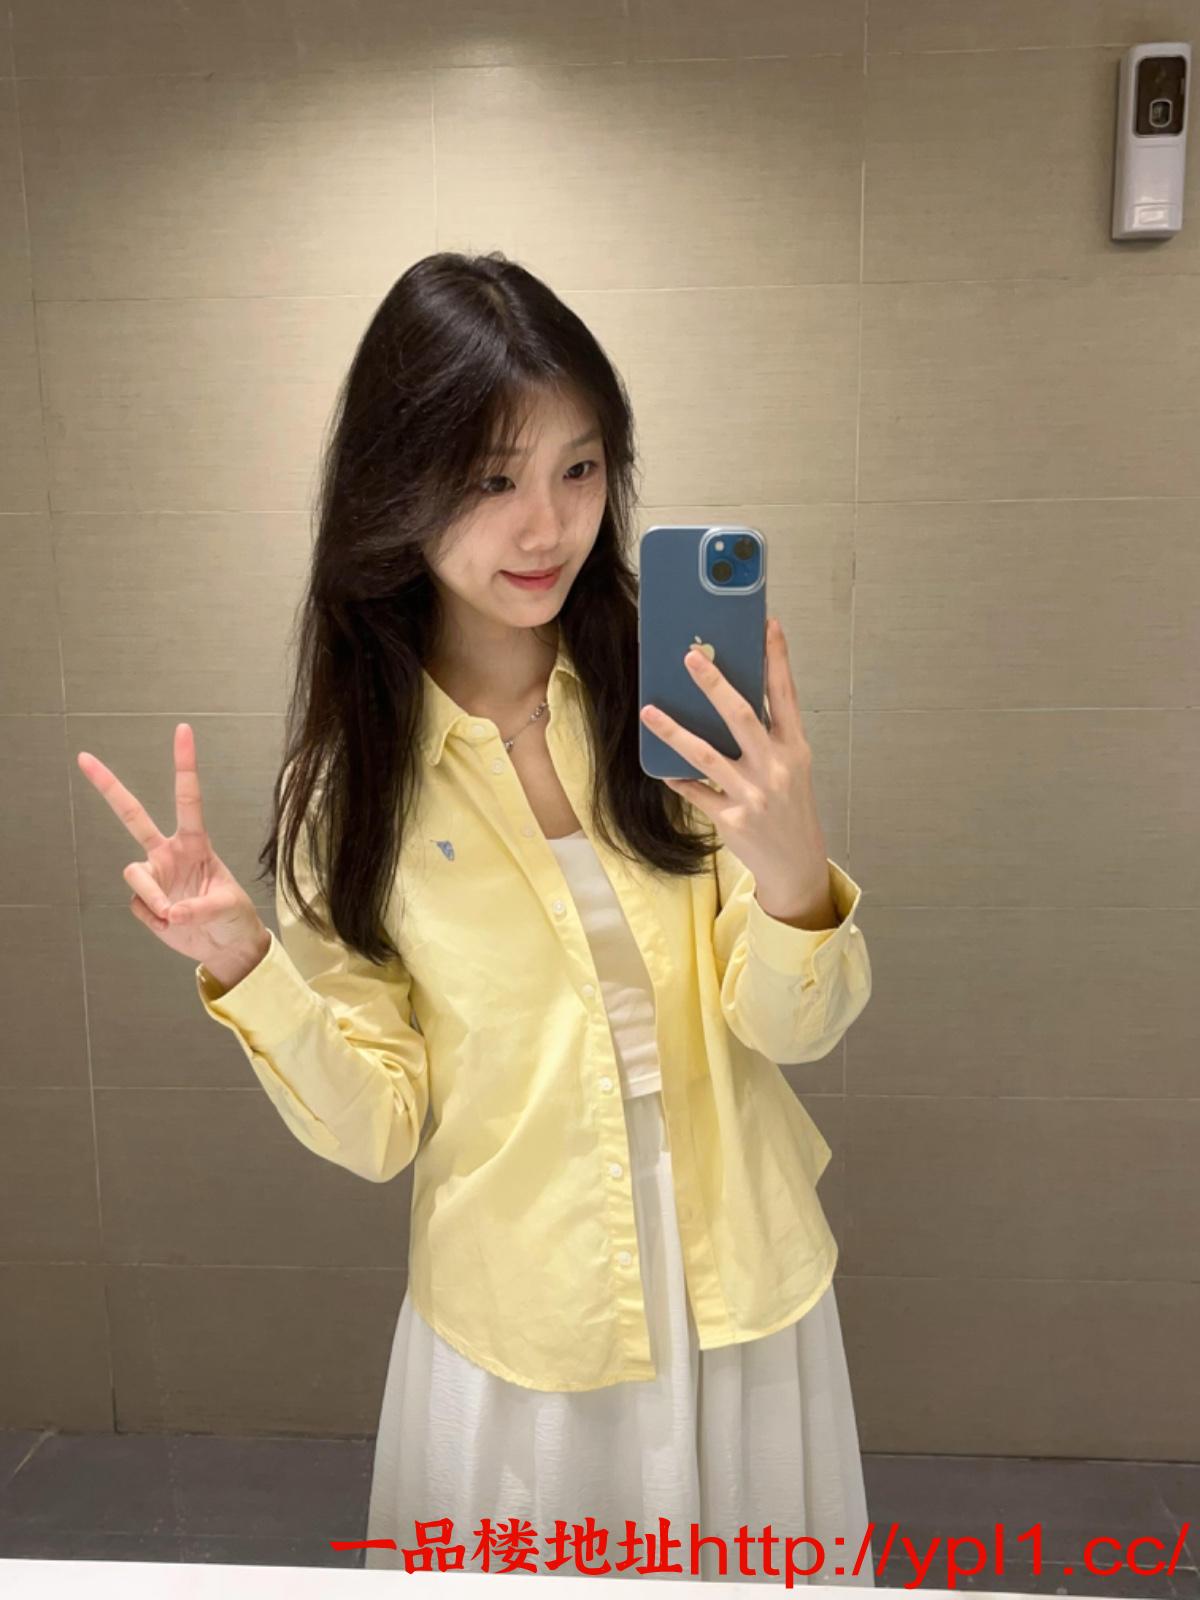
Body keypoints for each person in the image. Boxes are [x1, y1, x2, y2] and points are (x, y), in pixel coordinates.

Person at [77, 250, 876, 1587]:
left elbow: (797, 1030)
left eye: (581, 467)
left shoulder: (680, 701)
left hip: (743, 1282)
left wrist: (794, 872)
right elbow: (380, 1129)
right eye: (492, 479)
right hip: (528, 1315)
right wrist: (247, 964)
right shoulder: (353, 788)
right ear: (398, 488)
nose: (547, 526)